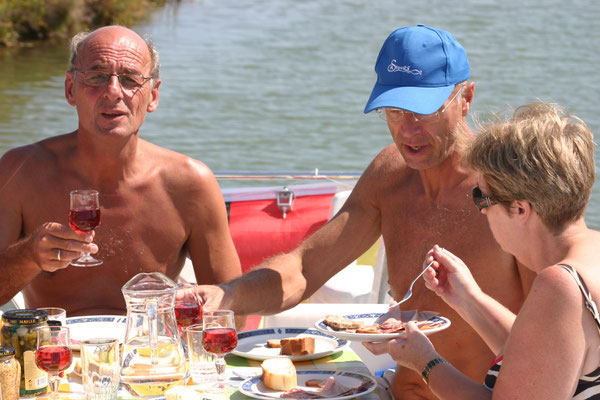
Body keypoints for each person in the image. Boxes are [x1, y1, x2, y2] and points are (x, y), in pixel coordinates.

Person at [193, 25, 535, 399]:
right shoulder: (390, 175)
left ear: (466, 97)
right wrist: (226, 295)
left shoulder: (507, 189)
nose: (408, 129)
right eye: (393, 109)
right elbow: (306, 268)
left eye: (425, 110)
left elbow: (548, 339)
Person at [0, 25, 242, 316]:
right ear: (70, 89)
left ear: (153, 95)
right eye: (97, 76)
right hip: (55, 354)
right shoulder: (21, 171)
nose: (113, 92)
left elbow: (234, 315)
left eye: (129, 79)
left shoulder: (190, 184)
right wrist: (28, 256)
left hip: (152, 356)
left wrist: (192, 306)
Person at [364, 102, 600, 399]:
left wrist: (425, 362)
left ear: (520, 208)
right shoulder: (591, 257)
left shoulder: (561, 286)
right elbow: (540, 358)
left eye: (481, 199)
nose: (481, 212)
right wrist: (467, 298)